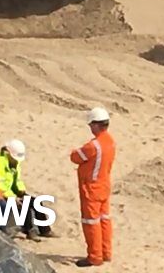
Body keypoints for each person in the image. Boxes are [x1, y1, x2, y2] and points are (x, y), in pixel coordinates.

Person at [70, 106, 116, 268]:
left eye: (91, 125)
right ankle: (106, 252)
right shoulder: (110, 141)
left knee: (91, 223)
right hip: (104, 185)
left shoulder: (93, 146)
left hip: (91, 189)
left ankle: (95, 256)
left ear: (96, 125)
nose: (90, 128)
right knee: (104, 220)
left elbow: (76, 157)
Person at [0, 138, 54, 241]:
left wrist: (21, 190)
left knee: (35, 201)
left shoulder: (14, 162)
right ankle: (30, 231)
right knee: (24, 204)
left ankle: (45, 230)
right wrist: (12, 197)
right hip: (2, 193)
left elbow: (17, 179)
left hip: (11, 190)